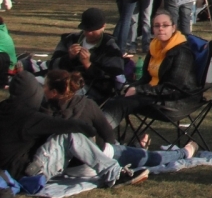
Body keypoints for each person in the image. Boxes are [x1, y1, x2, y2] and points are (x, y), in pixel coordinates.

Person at [0, 68, 145, 187]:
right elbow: (71, 126)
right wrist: (91, 133)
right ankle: (114, 174)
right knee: (71, 136)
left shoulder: (5, 109)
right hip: (26, 173)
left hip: (7, 171)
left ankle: (143, 154)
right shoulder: (30, 117)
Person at [100, 10, 202, 129]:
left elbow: (174, 88)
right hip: (154, 93)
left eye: (165, 25)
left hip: (176, 101)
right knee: (114, 99)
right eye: (157, 26)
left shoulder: (182, 52)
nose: (161, 29)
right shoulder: (154, 47)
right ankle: (101, 133)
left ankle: (101, 135)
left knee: (123, 103)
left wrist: (139, 90)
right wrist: (130, 87)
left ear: (173, 28)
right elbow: (145, 78)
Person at [50, 6, 127, 102]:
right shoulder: (70, 39)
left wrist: (88, 66)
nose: (88, 33)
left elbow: (114, 82)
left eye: (93, 30)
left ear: (103, 27)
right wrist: (68, 58)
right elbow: (52, 65)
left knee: (65, 96)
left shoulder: (110, 48)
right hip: (63, 82)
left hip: (91, 90)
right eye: (86, 29)